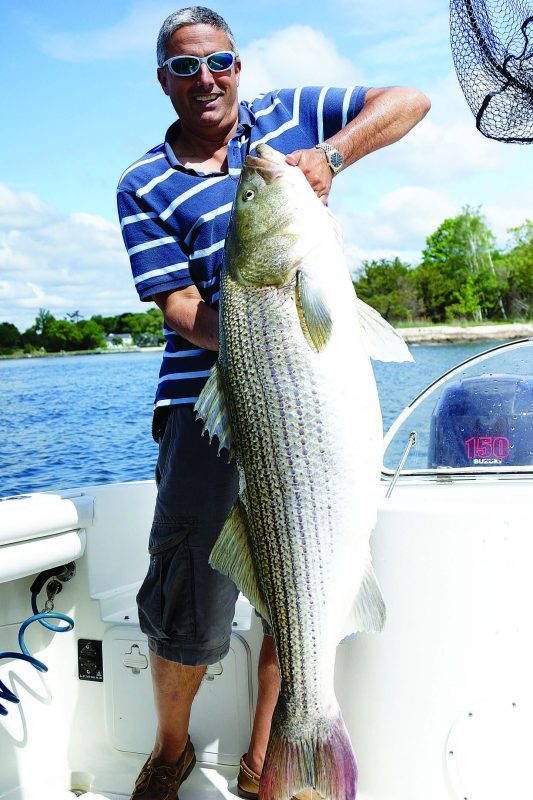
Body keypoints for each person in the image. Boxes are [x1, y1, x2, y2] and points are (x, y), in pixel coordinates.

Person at [117, 6, 430, 799]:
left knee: (305, 564)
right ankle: (170, 749)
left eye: (216, 61)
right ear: (163, 81)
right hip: (202, 404)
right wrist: (264, 349)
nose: (205, 79)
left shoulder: (287, 117)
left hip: (303, 395)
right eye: (184, 68)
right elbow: (182, 308)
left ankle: (273, 761)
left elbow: (408, 100)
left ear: (237, 64)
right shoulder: (141, 184)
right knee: (189, 587)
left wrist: (330, 155)